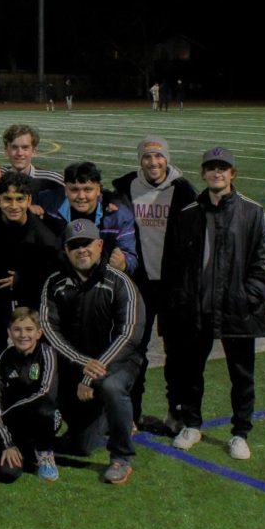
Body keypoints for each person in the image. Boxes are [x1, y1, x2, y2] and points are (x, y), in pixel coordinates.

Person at [161, 146, 265, 461]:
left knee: (241, 376)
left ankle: (240, 433)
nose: (217, 173)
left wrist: (241, 300)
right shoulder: (188, 214)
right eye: (211, 168)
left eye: (223, 168)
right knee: (190, 372)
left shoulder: (253, 212)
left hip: (238, 313)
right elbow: (174, 267)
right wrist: (184, 302)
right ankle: (193, 424)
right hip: (197, 312)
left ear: (232, 174)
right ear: (203, 173)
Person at [40, 220, 144, 485]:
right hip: (75, 364)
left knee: (110, 387)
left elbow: (129, 335)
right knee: (83, 447)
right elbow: (49, 329)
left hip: (118, 363)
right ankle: (103, 420)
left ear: (99, 245)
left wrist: (91, 375)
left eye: (86, 244)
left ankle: (121, 457)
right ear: (65, 250)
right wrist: (82, 364)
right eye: (74, 246)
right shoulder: (54, 282)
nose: (81, 250)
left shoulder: (120, 282)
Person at [110, 137, 197, 431]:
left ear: (167, 159)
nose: (153, 162)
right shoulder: (124, 188)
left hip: (173, 285)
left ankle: (176, 411)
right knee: (135, 350)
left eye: (159, 157)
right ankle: (132, 413)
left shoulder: (184, 191)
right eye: (147, 157)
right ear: (140, 160)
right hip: (139, 284)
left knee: (178, 352)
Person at [0, 172, 62, 355]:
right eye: (7, 199)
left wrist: (24, 278)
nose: (13, 206)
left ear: (29, 200)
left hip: (26, 300)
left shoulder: (44, 238)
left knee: (26, 346)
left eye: (19, 199)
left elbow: (53, 273)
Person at [0, 307, 59, 483]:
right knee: (7, 475)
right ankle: (24, 449)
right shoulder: (1, 357)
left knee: (45, 409)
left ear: (39, 333)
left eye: (29, 329)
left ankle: (45, 455)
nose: (23, 335)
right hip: (12, 425)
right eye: (17, 330)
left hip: (42, 418)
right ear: (9, 332)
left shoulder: (47, 353)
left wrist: (9, 413)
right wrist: (7, 443)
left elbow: (45, 393)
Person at [37, 161, 138, 276]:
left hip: (100, 278)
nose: (81, 196)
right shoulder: (50, 202)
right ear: (65, 190)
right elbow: (23, 199)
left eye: (87, 189)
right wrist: (30, 206)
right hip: (58, 275)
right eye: (74, 190)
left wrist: (124, 264)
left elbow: (131, 256)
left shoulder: (118, 216)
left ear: (98, 190)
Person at [1, 123, 64, 202]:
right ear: (6, 151)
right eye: (14, 147)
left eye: (25, 148)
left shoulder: (52, 180)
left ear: (34, 152)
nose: (20, 153)